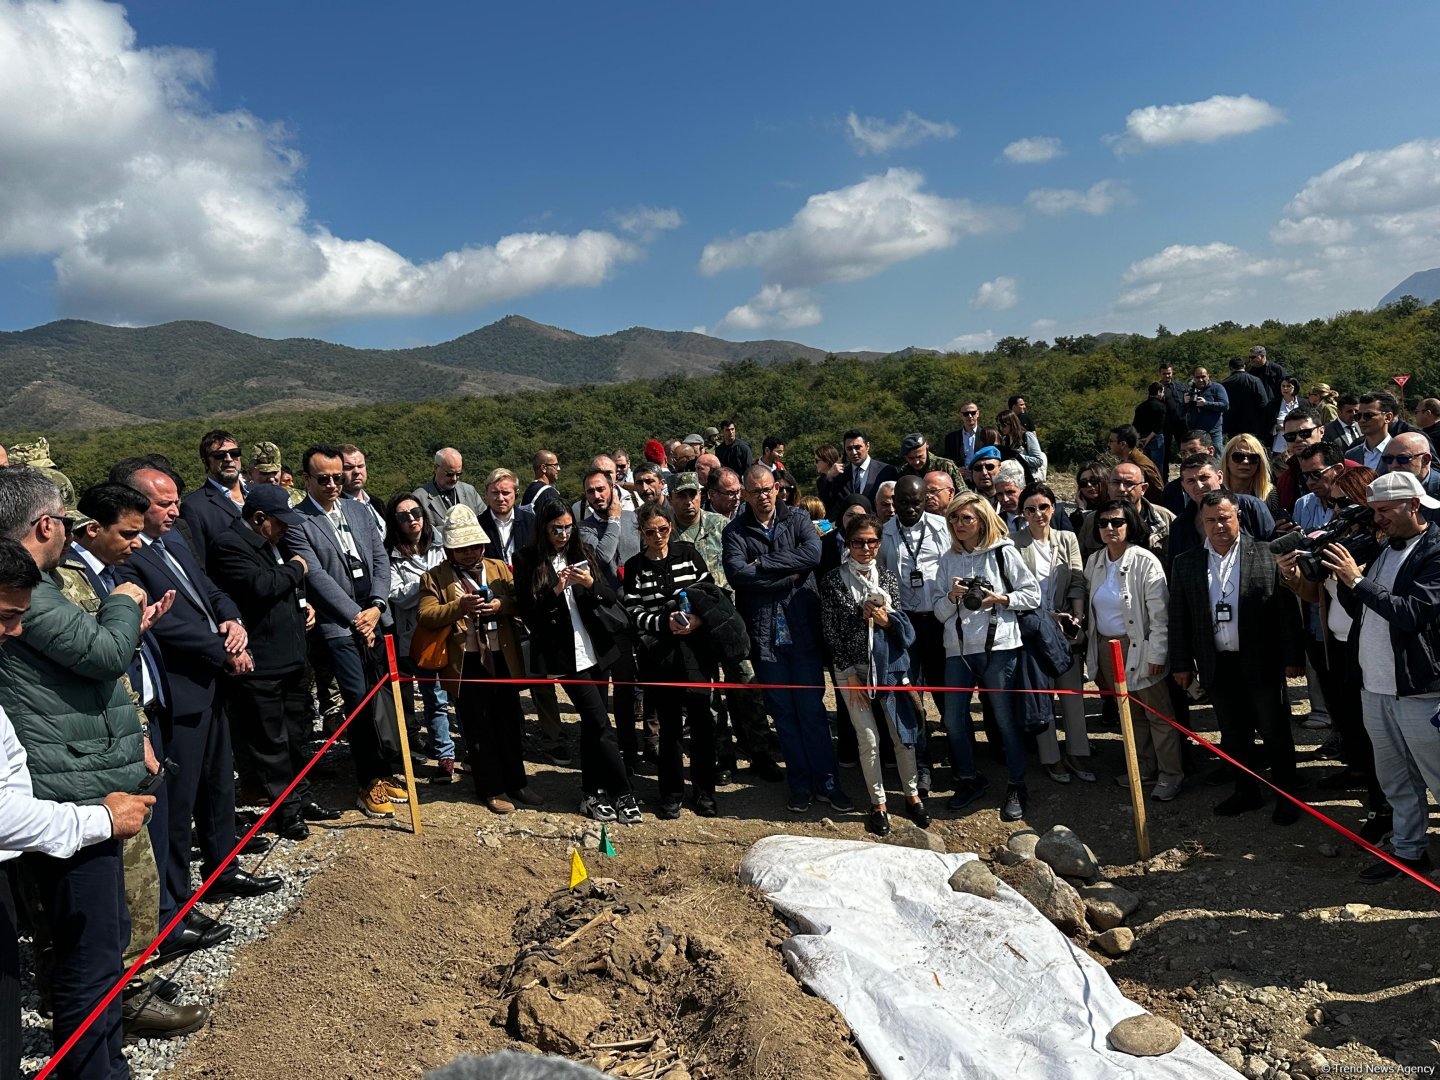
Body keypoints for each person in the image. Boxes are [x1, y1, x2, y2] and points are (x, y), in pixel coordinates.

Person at [0, 469, 155, 1079]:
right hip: (67, 791)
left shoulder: (26, 588)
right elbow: (101, 653)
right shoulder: (25, 590)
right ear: (47, 524)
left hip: (69, 785)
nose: (11, 633)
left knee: (88, 944)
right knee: (88, 951)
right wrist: (124, 605)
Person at [116, 469, 285, 918]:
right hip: (181, 686)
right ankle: (176, 901)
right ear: (135, 506)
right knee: (180, 797)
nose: (175, 510)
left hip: (212, 681)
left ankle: (222, 868)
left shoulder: (174, 541)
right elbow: (166, 624)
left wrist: (233, 622)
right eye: (163, 504)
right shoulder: (128, 558)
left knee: (218, 782)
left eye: (175, 501)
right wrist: (222, 651)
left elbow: (209, 589)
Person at [1321, 471, 1440, 881]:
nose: (1379, 519)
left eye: (1385, 510)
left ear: (1413, 504)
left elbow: (1412, 613)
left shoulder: (1435, 551)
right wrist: (1344, 584)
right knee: (1395, 780)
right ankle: (1409, 852)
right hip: (1375, 686)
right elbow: (1369, 612)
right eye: (1374, 511)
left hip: (1420, 690)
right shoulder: (1385, 548)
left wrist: (1356, 579)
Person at [208, 485, 340, 839]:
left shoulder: (274, 543)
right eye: (281, 523)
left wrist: (303, 603)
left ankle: (303, 796)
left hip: (293, 657)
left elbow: (283, 590)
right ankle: (286, 810)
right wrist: (299, 569)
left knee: (297, 736)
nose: (287, 529)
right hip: (263, 664)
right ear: (259, 519)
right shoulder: (229, 546)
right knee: (271, 743)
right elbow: (261, 586)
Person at [724, 464, 853, 815]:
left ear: (778, 488)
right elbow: (738, 574)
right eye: (754, 492)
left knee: (812, 711)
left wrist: (762, 563)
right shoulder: (735, 530)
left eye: (767, 489)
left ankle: (828, 783)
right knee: (783, 715)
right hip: (765, 637)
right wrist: (787, 574)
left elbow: (812, 555)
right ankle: (799, 784)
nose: (763, 496)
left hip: (803, 631)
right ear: (745, 495)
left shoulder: (797, 519)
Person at [1169, 491, 1304, 823]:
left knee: (1273, 730)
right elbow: (1180, 618)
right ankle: (1246, 792)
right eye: (1211, 520)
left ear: (1238, 517)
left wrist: (1292, 656)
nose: (1218, 526)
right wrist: (1182, 663)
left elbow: (1286, 612)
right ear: (1202, 521)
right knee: (1233, 733)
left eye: (1224, 518)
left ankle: (1287, 797)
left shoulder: (1266, 554)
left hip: (1261, 660)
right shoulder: (1186, 563)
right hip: (1217, 662)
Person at [285, 444, 405, 818]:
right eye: (324, 479)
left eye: (338, 477)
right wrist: (357, 616)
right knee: (358, 700)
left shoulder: (358, 509)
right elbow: (317, 578)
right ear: (307, 480)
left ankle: (384, 771)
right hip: (339, 625)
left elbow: (381, 559)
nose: (334, 484)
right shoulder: (297, 521)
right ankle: (367, 780)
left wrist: (377, 606)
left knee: (384, 696)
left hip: (375, 614)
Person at [515, 499, 639, 824]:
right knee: (601, 723)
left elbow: (611, 597)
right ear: (543, 528)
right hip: (566, 658)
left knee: (591, 727)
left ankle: (591, 793)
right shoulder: (527, 559)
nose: (564, 534)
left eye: (569, 527)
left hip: (598, 649)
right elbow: (530, 615)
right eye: (557, 528)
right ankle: (623, 792)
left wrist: (588, 583)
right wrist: (557, 588)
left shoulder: (581, 550)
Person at [417, 506, 540, 814]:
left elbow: (521, 602)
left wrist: (499, 605)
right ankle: (491, 788)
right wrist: (460, 607)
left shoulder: (499, 567)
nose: (470, 553)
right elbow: (426, 614)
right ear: (449, 549)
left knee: (511, 722)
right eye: (462, 548)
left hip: (503, 656)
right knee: (478, 727)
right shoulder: (435, 577)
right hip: (466, 662)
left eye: (475, 546)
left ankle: (517, 782)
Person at [933, 492, 1041, 822]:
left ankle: (1016, 784)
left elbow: (1032, 594)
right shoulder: (947, 558)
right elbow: (938, 612)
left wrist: (1000, 598)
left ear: (982, 520)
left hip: (1000, 645)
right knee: (952, 719)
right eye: (953, 518)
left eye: (966, 518)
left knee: (1004, 719)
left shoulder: (1003, 552)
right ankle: (969, 778)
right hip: (959, 649)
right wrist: (952, 596)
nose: (959, 524)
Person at [821, 514, 928, 837]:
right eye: (858, 542)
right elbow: (831, 632)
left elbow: (899, 627)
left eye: (871, 542)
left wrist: (885, 620)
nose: (865, 548)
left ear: (879, 543)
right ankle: (878, 802)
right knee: (868, 739)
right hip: (851, 671)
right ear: (848, 544)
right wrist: (850, 675)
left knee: (901, 735)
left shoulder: (888, 578)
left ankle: (912, 796)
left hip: (888, 668)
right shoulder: (833, 580)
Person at [670, 473, 780, 784]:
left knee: (747, 687)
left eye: (693, 494)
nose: (688, 501)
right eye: (681, 495)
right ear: (671, 497)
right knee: (709, 697)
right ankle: (723, 758)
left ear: (701, 495)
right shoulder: (666, 533)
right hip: (693, 628)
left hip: (729, 621)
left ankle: (761, 753)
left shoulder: (721, 526)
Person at [623, 503, 720, 819]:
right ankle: (671, 793)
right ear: (642, 533)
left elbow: (709, 593)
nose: (658, 536)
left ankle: (705, 791)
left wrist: (696, 620)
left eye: (663, 529)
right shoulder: (635, 566)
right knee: (669, 727)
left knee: (702, 723)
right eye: (650, 532)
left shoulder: (688, 554)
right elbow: (633, 612)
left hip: (696, 652)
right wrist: (664, 624)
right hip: (659, 655)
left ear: (670, 528)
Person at [1084, 499, 1182, 800]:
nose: (1110, 528)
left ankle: (1170, 774)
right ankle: (1144, 768)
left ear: (1130, 525)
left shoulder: (1145, 561)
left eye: (1117, 522)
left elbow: (1160, 614)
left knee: (1158, 716)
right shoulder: (1095, 561)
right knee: (1132, 714)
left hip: (1139, 645)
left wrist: (1157, 654)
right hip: (1107, 647)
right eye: (1103, 523)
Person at [1012, 484, 1091, 784]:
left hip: (1066, 627)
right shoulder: (1013, 543)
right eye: (1030, 509)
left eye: (1043, 507)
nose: (1038, 514)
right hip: (1033, 629)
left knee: (1073, 695)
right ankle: (1051, 758)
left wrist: (1077, 618)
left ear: (1054, 508)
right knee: (1042, 696)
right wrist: (1046, 617)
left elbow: (1077, 581)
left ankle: (1077, 752)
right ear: (1023, 513)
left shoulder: (1067, 538)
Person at [878, 475, 949, 793]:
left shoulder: (942, 528)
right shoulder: (887, 531)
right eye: (901, 502)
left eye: (915, 502)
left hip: (939, 621)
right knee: (912, 695)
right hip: (904, 624)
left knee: (948, 694)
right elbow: (878, 574)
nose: (908, 508)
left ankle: (960, 759)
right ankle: (922, 765)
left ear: (926, 500)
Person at [383, 492, 455, 780]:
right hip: (418, 636)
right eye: (403, 516)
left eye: (416, 512)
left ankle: (472, 752)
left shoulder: (441, 542)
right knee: (434, 696)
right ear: (395, 522)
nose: (412, 519)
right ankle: (445, 755)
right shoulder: (391, 554)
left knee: (461, 693)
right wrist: (427, 583)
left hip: (454, 628)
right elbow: (396, 595)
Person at [1167, 455, 1275, 568]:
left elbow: (1274, 550)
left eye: (1204, 478)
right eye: (1191, 481)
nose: (1199, 486)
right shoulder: (1180, 525)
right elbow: (1175, 569)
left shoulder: (1250, 506)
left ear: (1219, 477)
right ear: (1183, 486)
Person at [179, 429, 247, 569]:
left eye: (234, 453)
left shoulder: (258, 494)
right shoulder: (193, 507)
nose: (228, 459)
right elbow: (199, 562)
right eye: (219, 455)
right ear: (205, 462)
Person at [1106, 461, 1173, 563]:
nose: (1121, 489)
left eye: (1129, 483)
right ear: (1108, 486)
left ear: (1143, 488)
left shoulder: (1165, 519)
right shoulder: (1093, 521)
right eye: (1116, 482)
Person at [1270, 406, 1327, 515]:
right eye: (1290, 436)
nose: (1298, 439)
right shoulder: (1285, 479)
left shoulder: (1347, 470)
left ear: (1321, 431)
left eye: (1305, 433)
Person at [413, 448, 484, 533]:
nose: (454, 479)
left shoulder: (469, 491)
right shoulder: (419, 498)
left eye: (458, 474)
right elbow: (419, 531)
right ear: (436, 468)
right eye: (449, 474)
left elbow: (486, 519)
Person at [339, 443, 387, 539]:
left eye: (360, 466)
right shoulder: (336, 507)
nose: (357, 472)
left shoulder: (377, 503)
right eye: (349, 467)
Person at [839, 429, 898, 505]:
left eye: (857, 447)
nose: (854, 452)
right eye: (849, 449)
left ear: (867, 446)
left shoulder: (887, 471)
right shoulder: (840, 474)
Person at [1221, 356, 1271, 443]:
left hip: (1232, 427)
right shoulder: (1255, 380)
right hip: (1254, 426)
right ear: (1244, 366)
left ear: (1230, 368)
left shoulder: (1224, 383)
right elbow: (1264, 404)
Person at [897, 433, 964, 491]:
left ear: (926, 448)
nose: (916, 462)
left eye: (920, 457)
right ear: (905, 457)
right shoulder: (904, 472)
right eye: (911, 458)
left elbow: (964, 495)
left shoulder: (946, 466)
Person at [1106, 425, 1163, 492]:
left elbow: (1158, 493)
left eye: (1111, 441)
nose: (1108, 444)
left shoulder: (1140, 466)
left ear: (1123, 444)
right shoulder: (1127, 459)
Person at [1221, 434, 1273, 505]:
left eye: (1253, 458)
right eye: (1238, 457)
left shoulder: (1270, 494)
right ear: (1226, 461)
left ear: (1260, 463)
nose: (1245, 462)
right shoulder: (1215, 490)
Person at [1247, 344, 1288, 435]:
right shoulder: (1250, 372)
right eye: (1250, 357)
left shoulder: (1277, 370)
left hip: (1275, 409)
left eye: (1253, 357)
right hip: (1257, 411)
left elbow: (1286, 388)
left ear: (1262, 356)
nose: (1251, 360)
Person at [1132, 382, 1170, 476]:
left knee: (1145, 467)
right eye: (1162, 392)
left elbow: (1135, 425)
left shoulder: (1140, 406)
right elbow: (1158, 427)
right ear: (1159, 392)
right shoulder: (1161, 406)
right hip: (1155, 439)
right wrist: (1148, 439)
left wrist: (1139, 439)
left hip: (1142, 438)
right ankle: (1159, 488)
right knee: (1157, 467)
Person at [1183, 367, 1229, 443]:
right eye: (1197, 377)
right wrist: (1184, 403)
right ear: (1193, 378)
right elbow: (1181, 412)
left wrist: (1206, 404)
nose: (1200, 380)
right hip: (1196, 433)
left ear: (1208, 376)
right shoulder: (1189, 391)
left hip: (1213, 432)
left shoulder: (1217, 388)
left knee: (1216, 454)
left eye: (1203, 376)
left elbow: (1225, 405)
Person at [996, 410, 1044, 481]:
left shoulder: (1027, 436)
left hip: (1029, 478)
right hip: (1013, 479)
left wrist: (1018, 457)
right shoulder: (1005, 440)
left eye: (1004, 425)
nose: (1001, 428)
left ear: (1012, 423)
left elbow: (1038, 461)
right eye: (999, 425)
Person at [943, 402, 983, 470]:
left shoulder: (986, 435)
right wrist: (957, 470)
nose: (970, 416)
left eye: (973, 413)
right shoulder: (951, 438)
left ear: (978, 413)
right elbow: (947, 461)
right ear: (961, 415)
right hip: (959, 477)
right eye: (966, 414)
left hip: (981, 476)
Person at [1270, 378, 1303, 455]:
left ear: (1295, 387)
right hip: (1279, 446)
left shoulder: (1304, 403)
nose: (1285, 388)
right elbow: (1266, 424)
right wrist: (1277, 427)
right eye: (1283, 386)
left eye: (1288, 386)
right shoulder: (1273, 405)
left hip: (1299, 444)